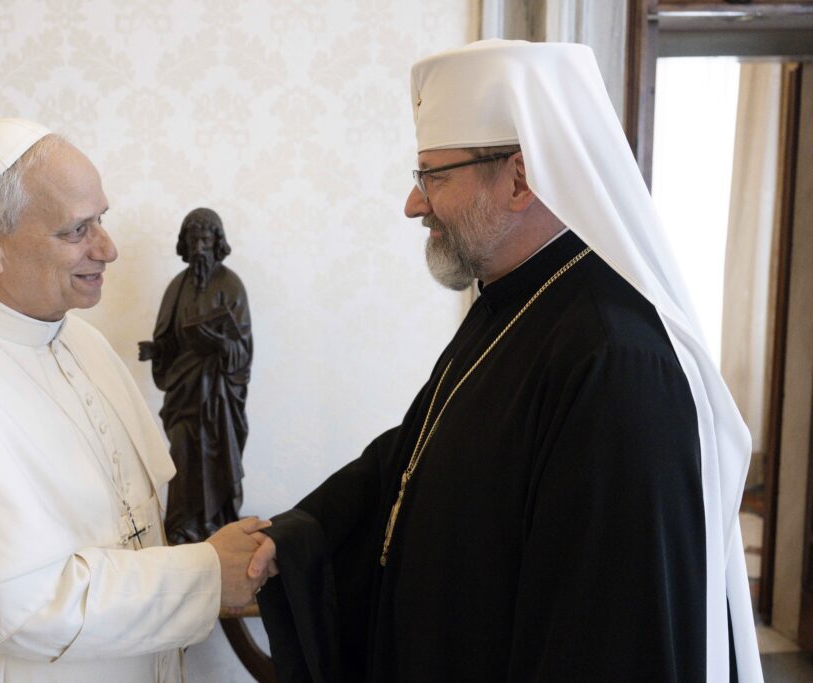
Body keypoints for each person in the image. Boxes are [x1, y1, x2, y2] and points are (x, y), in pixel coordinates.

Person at [247, 40, 762, 682]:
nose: (415, 204)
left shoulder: (616, 358)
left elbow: (609, 636)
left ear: (520, 177)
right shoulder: (511, 302)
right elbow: (421, 453)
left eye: (433, 176)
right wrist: (303, 533)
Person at [0, 118, 266, 682]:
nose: (108, 248)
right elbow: (28, 609)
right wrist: (208, 572)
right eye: (77, 230)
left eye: (102, 219)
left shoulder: (79, 339)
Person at [138, 208, 253, 545]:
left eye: (205, 239)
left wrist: (220, 344)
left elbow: (243, 351)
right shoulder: (177, 287)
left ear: (217, 242)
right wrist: (156, 351)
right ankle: (184, 525)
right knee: (185, 457)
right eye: (193, 240)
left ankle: (219, 523)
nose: (200, 246)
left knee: (216, 457)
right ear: (185, 244)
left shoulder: (231, 285)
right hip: (184, 394)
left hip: (219, 399)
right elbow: (169, 340)